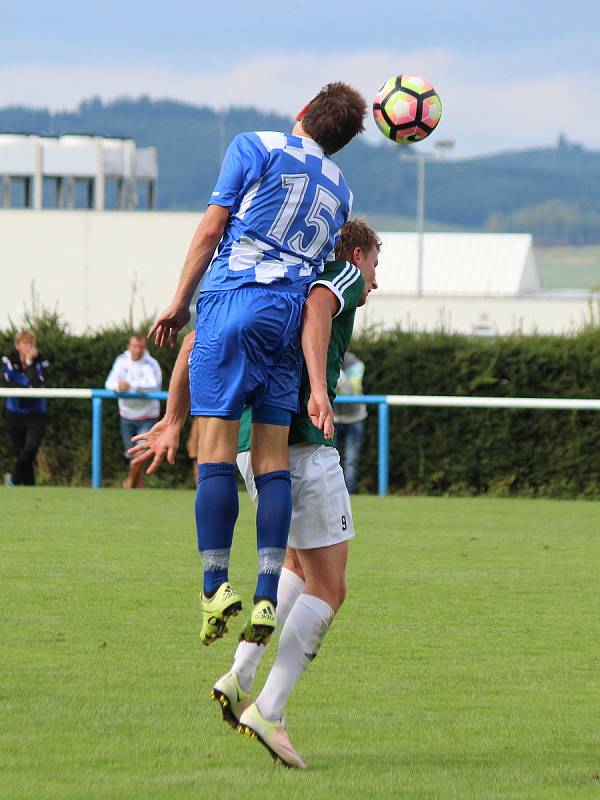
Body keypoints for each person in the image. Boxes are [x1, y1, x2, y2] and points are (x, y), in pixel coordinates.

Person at [131, 218, 380, 768]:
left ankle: (239, 676)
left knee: (295, 564)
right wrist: (318, 387)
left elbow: (196, 341)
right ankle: (270, 709)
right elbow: (321, 305)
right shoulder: (339, 273)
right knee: (330, 588)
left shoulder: (275, 277)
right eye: (377, 266)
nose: (375, 283)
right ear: (357, 252)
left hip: (249, 449)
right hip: (300, 445)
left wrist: (174, 416)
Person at [147, 82, 366, 648]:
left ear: (302, 112)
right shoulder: (341, 190)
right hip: (286, 320)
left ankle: (215, 585)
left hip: (234, 298)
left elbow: (212, 229)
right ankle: (268, 593)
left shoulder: (255, 144)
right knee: (271, 460)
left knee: (215, 450)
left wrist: (178, 302)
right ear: (340, 141)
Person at [104, 334, 162, 489]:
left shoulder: (151, 364)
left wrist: (131, 385)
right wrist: (118, 386)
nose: (138, 350)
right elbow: (109, 383)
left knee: (140, 454)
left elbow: (153, 384)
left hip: (148, 415)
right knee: (135, 457)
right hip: (127, 416)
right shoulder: (121, 361)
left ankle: (129, 484)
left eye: (141, 347)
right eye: (135, 346)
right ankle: (138, 488)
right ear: (129, 346)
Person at [2, 331, 49, 486]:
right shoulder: (8, 359)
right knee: (21, 452)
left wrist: (29, 364)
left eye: (31, 343)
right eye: (25, 343)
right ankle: (30, 488)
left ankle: (14, 479)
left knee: (30, 449)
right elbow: (7, 382)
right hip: (14, 413)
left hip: (36, 413)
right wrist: (26, 382)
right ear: (17, 345)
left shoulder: (40, 360)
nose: (29, 347)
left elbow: (36, 384)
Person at [335, 351, 368, 493]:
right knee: (328, 460)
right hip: (333, 417)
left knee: (351, 460)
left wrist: (338, 372)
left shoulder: (357, 365)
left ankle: (348, 494)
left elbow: (350, 391)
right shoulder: (323, 359)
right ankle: (332, 494)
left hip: (355, 417)